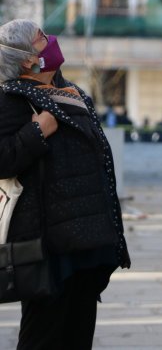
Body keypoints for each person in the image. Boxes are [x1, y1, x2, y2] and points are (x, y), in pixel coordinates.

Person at [0, 19, 130, 349]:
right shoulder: (11, 100)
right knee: (42, 337)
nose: (52, 40)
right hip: (49, 248)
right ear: (29, 59)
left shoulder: (71, 94)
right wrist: (36, 132)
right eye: (43, 38)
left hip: (88, 241)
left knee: (77, 336)